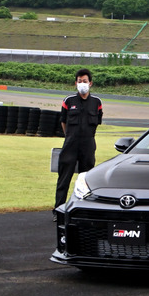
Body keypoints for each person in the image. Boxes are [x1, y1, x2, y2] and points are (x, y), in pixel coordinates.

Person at [55, 68, 103, 210]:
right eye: (80, 81)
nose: (82, 83)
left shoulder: (97, 102)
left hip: (88, 145)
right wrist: (69, 136)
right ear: (75, 83)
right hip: (70, 144)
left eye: (85, 81)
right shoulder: (68, 101)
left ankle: (85, 209)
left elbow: (98, 122)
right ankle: (59, 210)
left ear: (90, 83)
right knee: (64, 179)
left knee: (86, 180)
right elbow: (63, 121)